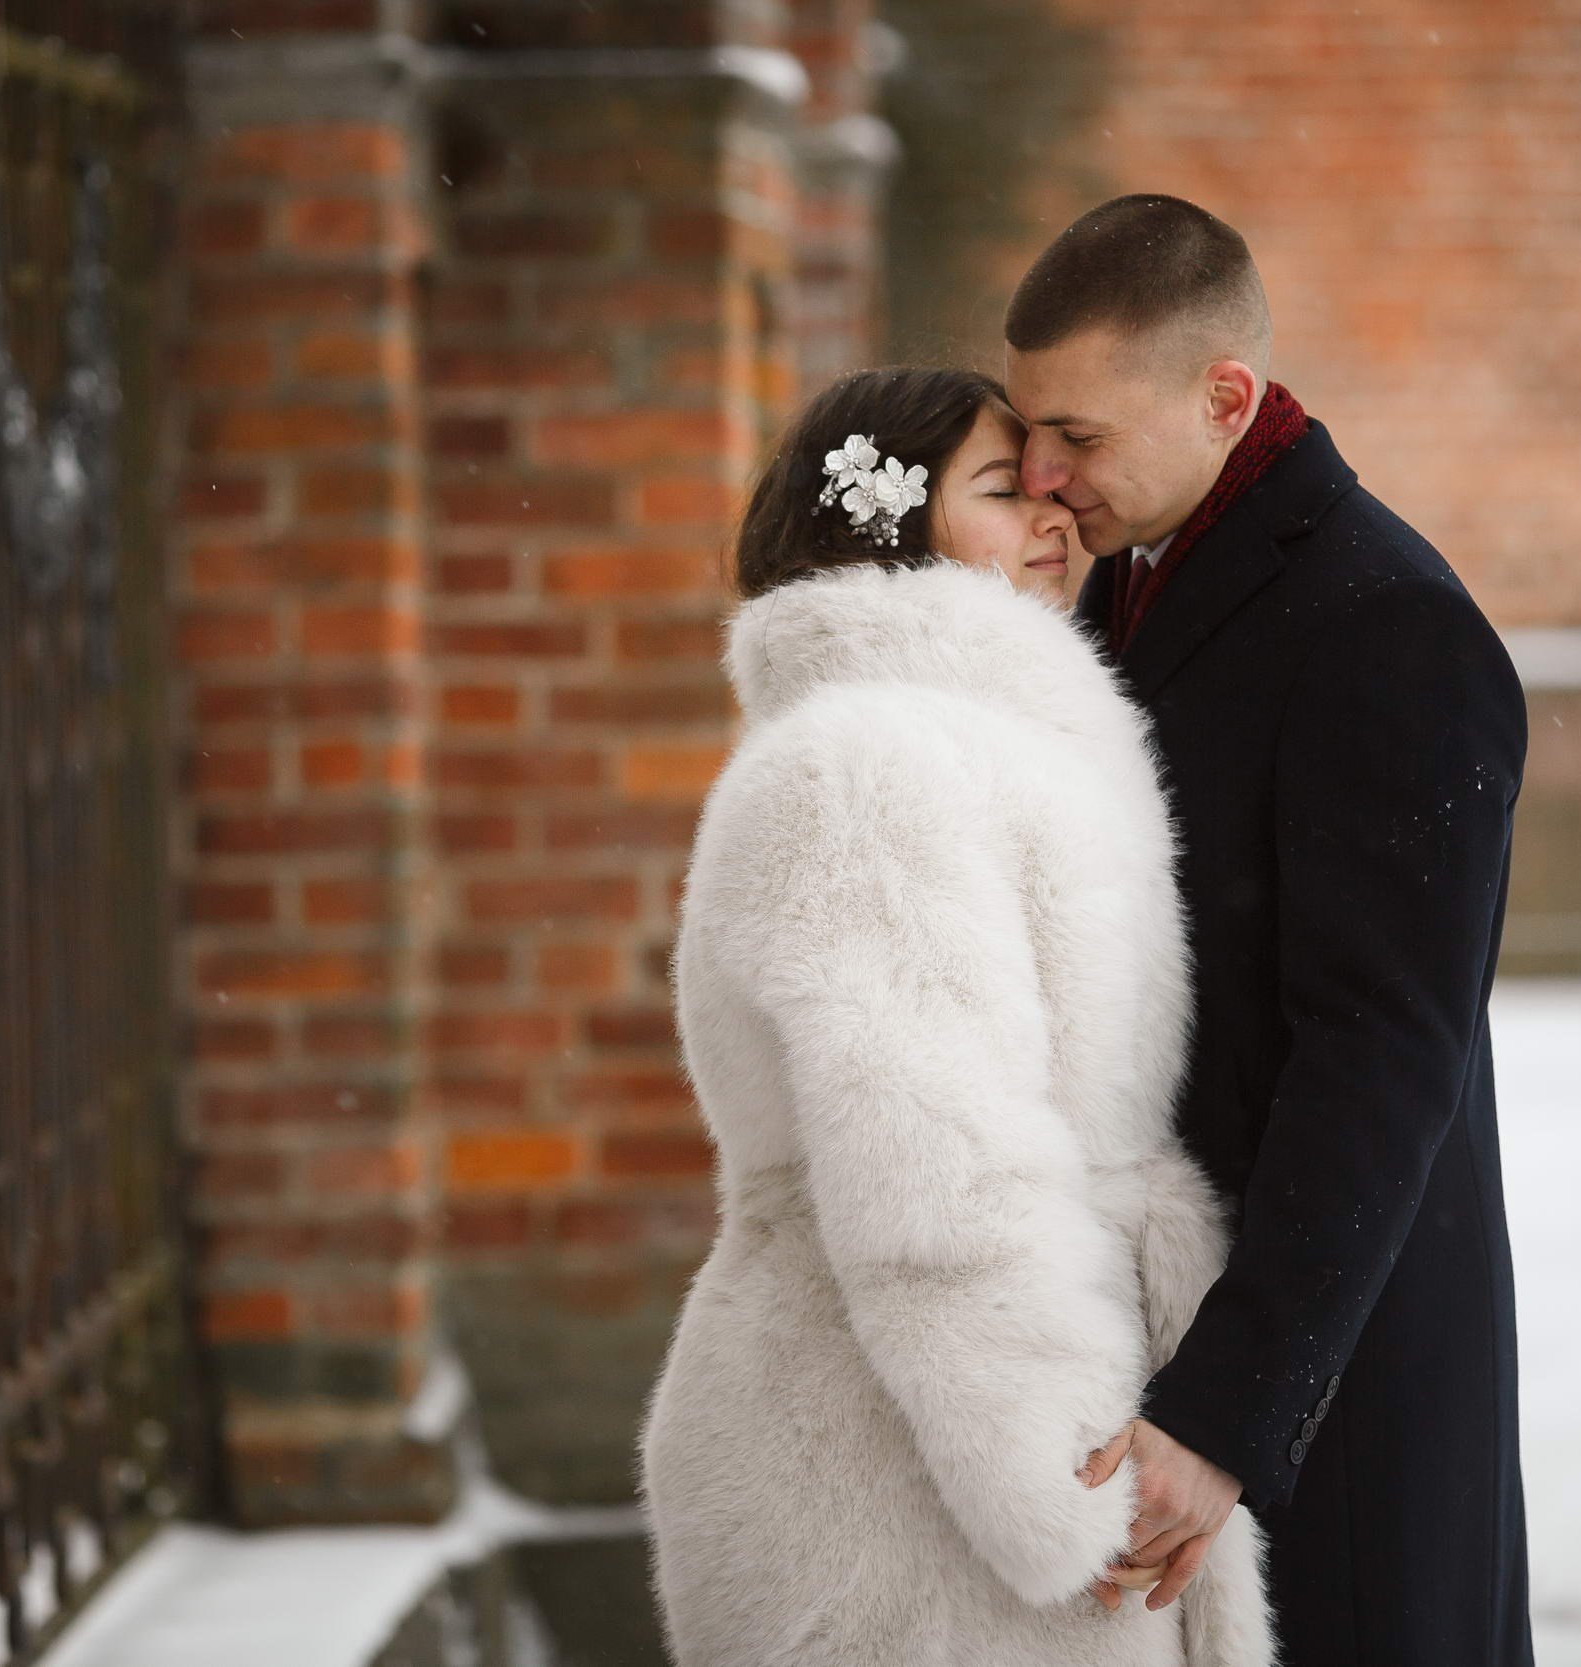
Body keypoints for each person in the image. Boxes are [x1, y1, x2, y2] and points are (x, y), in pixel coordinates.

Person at [639, 366, 1274, 1667]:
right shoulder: (866, 767)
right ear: (885, 522)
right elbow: (936, 1169)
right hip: (892, 1472)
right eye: (1002, 488)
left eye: (1052, 485)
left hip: (963, 1429)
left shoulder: (981, 751)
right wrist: (1064, 1487)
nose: (1056, 515)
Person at [1004, 194, 1534, 1664]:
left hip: (1333, 1392)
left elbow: (1381, 1061)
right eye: (1029, 432)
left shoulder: (1390, 625)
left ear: (1225, 398)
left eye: (1078, 436)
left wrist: (1230, 1410)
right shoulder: (1124, 573)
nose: (1042, 474)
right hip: (1159, 1343)